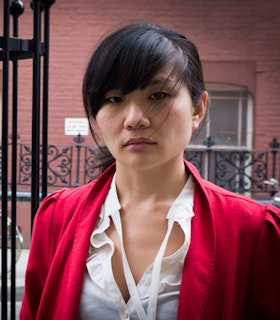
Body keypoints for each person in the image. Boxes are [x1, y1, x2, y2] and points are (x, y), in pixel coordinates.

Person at [20, 23, 280, 320]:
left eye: (157, 96)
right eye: (114, 99)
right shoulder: (57, 216)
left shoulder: (253, 231)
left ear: (197, 109)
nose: (134, 119)